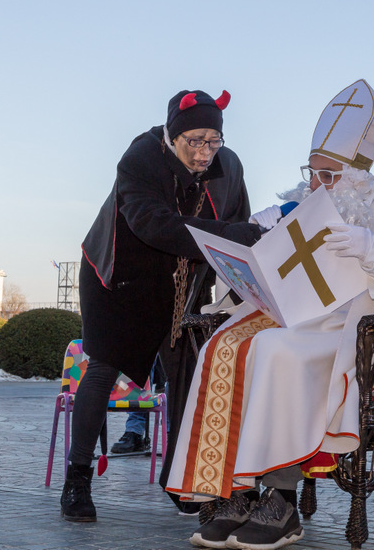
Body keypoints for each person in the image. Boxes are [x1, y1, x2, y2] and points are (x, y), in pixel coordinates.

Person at [166, 79, 374, 550]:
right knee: (222, 345)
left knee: (276, 352)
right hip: (289, 321)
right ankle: (238, 494)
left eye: (328, 176)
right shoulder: (296, 210)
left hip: (348, 338)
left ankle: (282, 500)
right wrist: (251, 249)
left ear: (357, 178)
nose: (315, 185)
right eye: (312, 172)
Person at [60, 88, 262, 522]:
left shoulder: (229, 166)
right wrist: (227, 235)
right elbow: (152, 223)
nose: (205, 152)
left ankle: (182, 480)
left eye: (213, 140)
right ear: (172, 136)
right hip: (121, 279)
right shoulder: (141, 157)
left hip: (184, 282)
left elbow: (239, 227)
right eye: (195, 141)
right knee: (103, 369)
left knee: (189, 376)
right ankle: (77, 479)